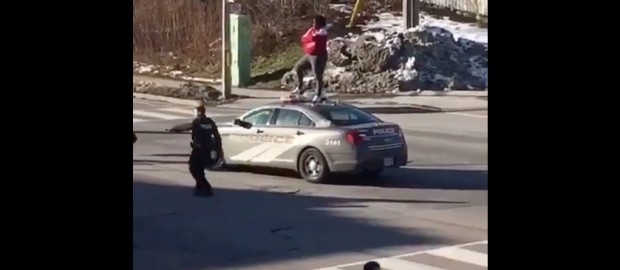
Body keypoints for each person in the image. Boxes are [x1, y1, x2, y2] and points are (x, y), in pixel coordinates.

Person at [291, 15, 329, 103]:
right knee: (298, 66)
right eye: (313, 22)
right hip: (309, 54)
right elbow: (304, 38)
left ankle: (318, 94)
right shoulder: (312, 30)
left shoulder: (323, 31)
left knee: (317, 74)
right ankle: (300, 86)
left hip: (319, 55)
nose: (313, 24)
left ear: (320, 24)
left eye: (315, 22)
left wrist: (309, 38)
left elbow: (314, 38)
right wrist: (308, 38)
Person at [188, 104, 221, 197]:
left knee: (193, 168)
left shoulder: (197, 121)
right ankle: (199, 187)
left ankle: (206, 187)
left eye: (194, 111)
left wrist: (175, 128)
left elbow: (188, 127)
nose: (193, 113)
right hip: (208, 149)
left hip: (198, 149)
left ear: (198, 112)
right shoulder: (210, 121)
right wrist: (218, 149)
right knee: (200, 169)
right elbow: (217, 136)